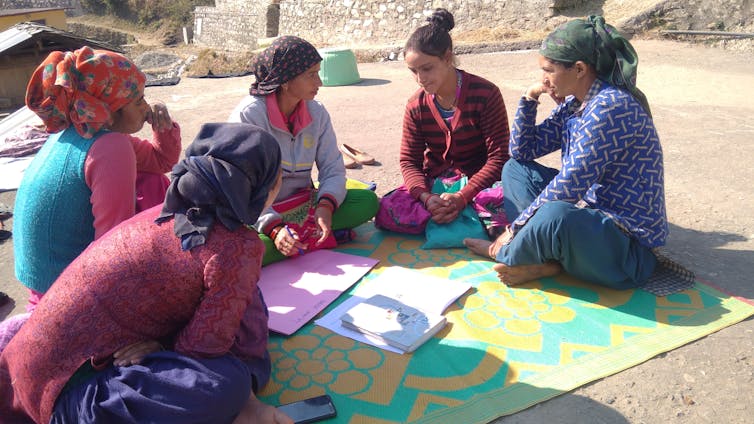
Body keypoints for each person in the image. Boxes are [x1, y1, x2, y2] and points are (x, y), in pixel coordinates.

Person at [0, 123, 294, 424]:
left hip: (20, 377)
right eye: (277, 175)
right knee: (229, 384)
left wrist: (162, 346)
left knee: (244, 302)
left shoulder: (165, 212)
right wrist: (166, 348)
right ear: (258, 186)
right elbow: (204, 349)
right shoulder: (235, 247)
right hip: (66, 397)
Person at [464, 16, 667, 289]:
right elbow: (523, 150)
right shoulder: (576, 102)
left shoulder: (610, 107)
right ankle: (546, 261)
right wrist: (530, 98)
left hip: (625, 249)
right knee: (516, 170)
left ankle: (510, 253)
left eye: (549, 70)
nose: (544, 80)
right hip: (589, 221)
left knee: (554, 214)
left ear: (580, 69)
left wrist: (512, 231)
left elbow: (571, 184)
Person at [13, 46, 181, 308]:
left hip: (41, 283)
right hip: (65, 298)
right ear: (111, 109)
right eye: (138, 101)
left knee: (152, 181)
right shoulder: (111, 147)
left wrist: (164, 128)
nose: (146, 108)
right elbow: (113, 246)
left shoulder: (79, 129)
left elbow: (160, 162)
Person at [228, 35, 378, 265]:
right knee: (242, 250)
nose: (319, 82)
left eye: (318, 73)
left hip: (302, 205)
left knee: (367, 202)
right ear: (285, 80)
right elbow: (240, 187)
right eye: (311, 75)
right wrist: (274, 228)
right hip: (259, 212)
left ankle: (299, 240)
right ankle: (292, 240)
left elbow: (332, 169)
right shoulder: (249, 116)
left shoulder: (317, 113)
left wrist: (326, 207)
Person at [376, 8, 510, 238]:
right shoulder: (416, 105)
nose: (420, 79)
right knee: (387, 209)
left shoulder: (485, 94)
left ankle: (458, 217)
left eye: (427, 68)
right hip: (436, 187)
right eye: (413, 71)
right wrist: (427, 198)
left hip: (479, 185)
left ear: (447, 58)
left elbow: (498, 157)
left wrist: (463, 196)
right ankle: (454, 218)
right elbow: (409, 161)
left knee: (509, 205)